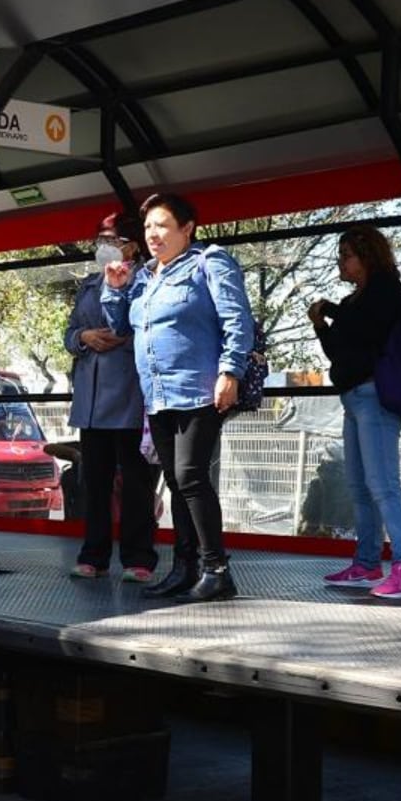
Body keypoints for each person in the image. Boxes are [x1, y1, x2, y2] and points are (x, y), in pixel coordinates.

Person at [102, 192, 255, 602]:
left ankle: (216, 569)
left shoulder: (210, 261)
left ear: (187, 229)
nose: (153, 234)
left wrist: (230, 371)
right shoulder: (145, 276)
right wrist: (115, 290)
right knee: (175, 481)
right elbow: (121, 325)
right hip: (158, 394)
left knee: (190, 476)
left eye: (163, 226)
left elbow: (237, 318)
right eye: (149, 227)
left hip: (199, 389)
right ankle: (185, 568)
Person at [310, 227, 401, 599]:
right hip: (354, 397)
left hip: (376, 397)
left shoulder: (385, 292)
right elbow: (341, 350)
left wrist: (330, 310)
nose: (341, 262)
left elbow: (364, 330)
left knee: (383, 485)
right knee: (360, 487)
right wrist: (321, 324)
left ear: (368, 256)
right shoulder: (353, 302)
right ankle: (367, 562)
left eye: (347, 254)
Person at [65, 212, 161, 582]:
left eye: (112, 239)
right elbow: (71, 331)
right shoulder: (88, 284)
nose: (104, 247)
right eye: (99, 239)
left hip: (130, 398)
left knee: (137, 482)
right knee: (95, 482)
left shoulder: (147, 282)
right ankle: (94, 554)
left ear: (133, 245)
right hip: (90, 399)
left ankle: (139, 558)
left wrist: (124, 336)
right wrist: (84, 338)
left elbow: (153, 332)